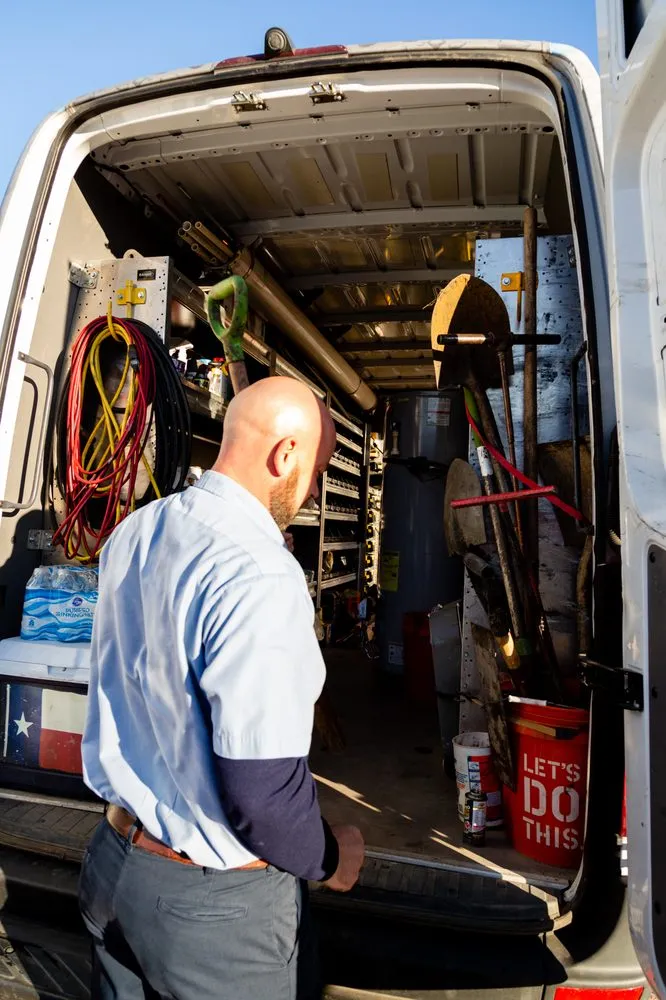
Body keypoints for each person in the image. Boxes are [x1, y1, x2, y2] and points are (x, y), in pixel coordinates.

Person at [78, 376, 365, 1000]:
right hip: (211, 910)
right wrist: (328, 856)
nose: (313, 490)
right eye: (316, 470)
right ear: (284, 455)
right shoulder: (259, 571)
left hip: (112, 864)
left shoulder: (137, 529)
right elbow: (260, 792)